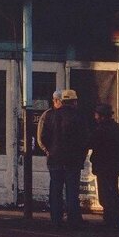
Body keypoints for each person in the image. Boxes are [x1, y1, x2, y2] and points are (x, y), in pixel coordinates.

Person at [39, 88, 89, 228]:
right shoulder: (80, 117)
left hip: (55, 158)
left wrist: (50, 150)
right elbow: (85, 139)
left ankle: (56, 219)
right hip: (73, 160)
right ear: (74, 102)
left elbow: (44, 137)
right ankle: (73, 220)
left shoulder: (50, 116)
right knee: (72, 191)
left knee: (55, 189)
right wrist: (81, 155)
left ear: (62, 100)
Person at [90, 103, 119, 228]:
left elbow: (94, 146)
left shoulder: (100, 130)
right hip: (115, 165)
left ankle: (110, 219)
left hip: (103, 166)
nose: (95, 117)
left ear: (101, 116)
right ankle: (116, 219)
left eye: (96, 114)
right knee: (113, 192)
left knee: (105, 194)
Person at [36, 89, 63, 154]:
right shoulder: (47, 114)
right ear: (56, 100)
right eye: (62, 101)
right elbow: (40, 136)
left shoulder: (65, 113)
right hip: (53, 154)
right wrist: (48, 151)